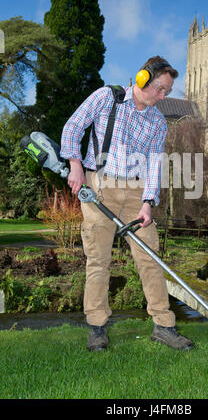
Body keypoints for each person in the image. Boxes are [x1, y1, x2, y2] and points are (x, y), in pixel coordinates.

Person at [60, 56, 194, 352]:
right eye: (159, 89)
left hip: (135, 193)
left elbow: (155, 164)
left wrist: (148, 203)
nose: (162, 97)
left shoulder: (158, 121)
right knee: (98, 259)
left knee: (150, 258)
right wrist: (76, 165)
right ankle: (97, 327)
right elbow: (73, 127)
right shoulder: (106, 98)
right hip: (100, 187)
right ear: (143, 78)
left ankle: (164, 326)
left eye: (167, 92)